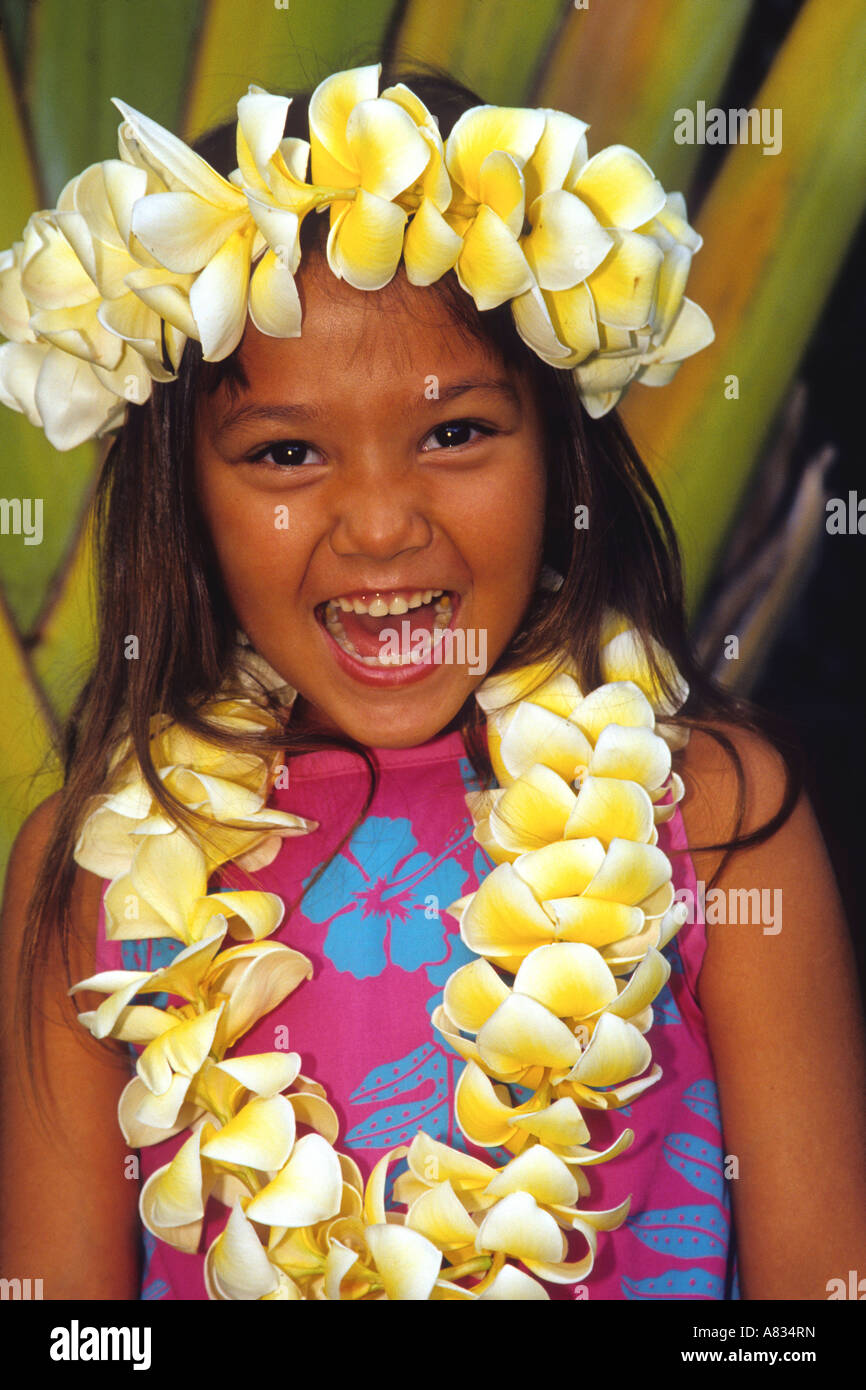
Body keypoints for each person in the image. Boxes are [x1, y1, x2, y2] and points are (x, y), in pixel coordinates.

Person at [0, 63, 864, 1303]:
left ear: (558, 440)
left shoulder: (712, 818)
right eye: (286, 453)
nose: (378, 526)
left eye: (454, 431)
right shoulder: (95, 870)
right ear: (182, 496)